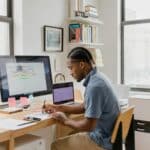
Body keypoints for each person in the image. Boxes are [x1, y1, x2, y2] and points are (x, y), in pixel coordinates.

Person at [44, 47, 120, 150]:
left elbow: (89, 126)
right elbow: (84, 106)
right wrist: (58, 107)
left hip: (101, 140)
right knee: (70, 134)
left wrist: (65, 120)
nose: (70, 72)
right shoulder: (98, 78)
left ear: (81, 65)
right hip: (110, 136)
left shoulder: (95, 87)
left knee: (55, 145)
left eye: (71, 68)